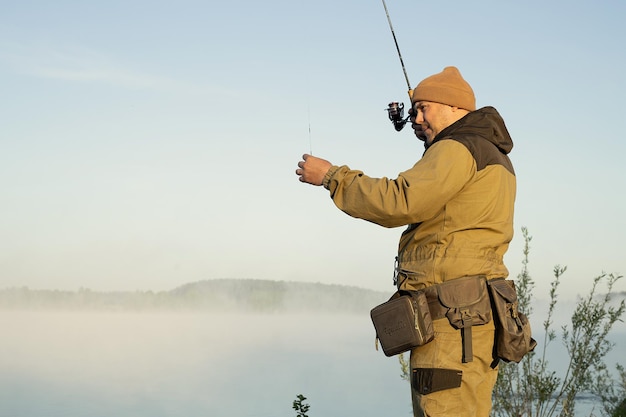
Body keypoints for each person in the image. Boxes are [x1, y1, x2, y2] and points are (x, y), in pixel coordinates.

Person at [295, 66, 516, 417]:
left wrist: (332, 177)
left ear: (454, 106)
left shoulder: (458, 148)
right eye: (413, 110)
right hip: (471, 321)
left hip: (451, 324)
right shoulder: (491, 153)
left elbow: (401, 200)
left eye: (423, 108)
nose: (415, 118)